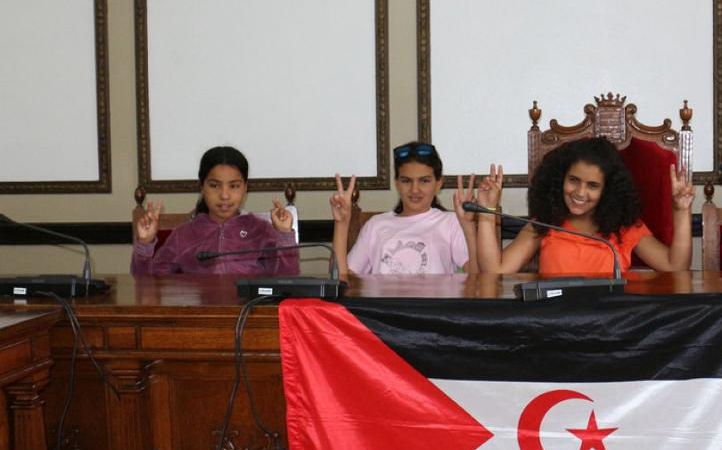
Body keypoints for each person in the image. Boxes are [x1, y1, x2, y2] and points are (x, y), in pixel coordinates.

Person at [474, 137, 693, 274]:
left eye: (592, 185)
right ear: (561, 179)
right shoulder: (545, 223)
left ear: (606, 190)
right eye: (574, 181)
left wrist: (681, 211)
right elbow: (495, 270)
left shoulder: (625, 227)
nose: (580, 193)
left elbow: (675, 266)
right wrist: (487, 211)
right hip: (555, 328)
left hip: (608, 329)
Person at [131, 146, 297, 274]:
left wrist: (283, 235)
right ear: (202, 187)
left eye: (234, 186)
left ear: (245, 188)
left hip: (249, 314)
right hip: (199, 316)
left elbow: (287, 282)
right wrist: (144, 244)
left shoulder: (260, 230)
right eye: (214, 185)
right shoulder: (184, 235)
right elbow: (147, 287)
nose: (224, 195)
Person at [329, 142, 476, 277]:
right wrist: (341, 223)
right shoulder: (375, 225)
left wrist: (468, 226)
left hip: (432, 305)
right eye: (406, 181)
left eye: (424, 181)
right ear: (397, 184)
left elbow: (477, 277)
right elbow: (344, 279)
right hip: (381, 306)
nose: (415, 190)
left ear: (438, 183)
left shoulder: (450, 222)